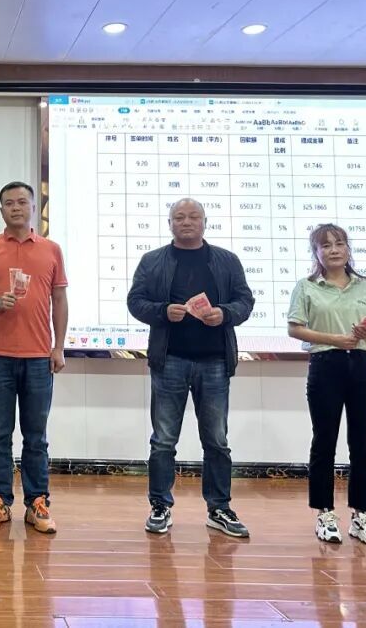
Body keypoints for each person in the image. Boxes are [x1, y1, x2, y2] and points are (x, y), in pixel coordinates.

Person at [127, 197, 255, 539]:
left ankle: (219, 508)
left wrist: (224, 314)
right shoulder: (153, 260)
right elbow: (135, 301)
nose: (186, 222)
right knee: (163, 440)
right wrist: (162, 311)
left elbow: (245, 301)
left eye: (193, 216)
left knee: (217, 440)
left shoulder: (227, 260)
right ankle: (160, 506)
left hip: (215, 361)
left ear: (204, 222)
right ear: (170, 224)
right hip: (169, 360)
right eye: (179, 217)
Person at [0, 181, 68, 534]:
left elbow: (60, 301)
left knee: (36, 437)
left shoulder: (51, 250)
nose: (16, 208)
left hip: (38, 357)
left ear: (34, 207)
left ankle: (37, 503)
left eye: (23, 202)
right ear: (1, 210)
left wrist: (59, 347)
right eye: (9, 203)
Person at [287, 223, 366, 546]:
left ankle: (362, 516)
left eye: (339, 243)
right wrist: (334, 339)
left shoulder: (365, 286)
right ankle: (325, 513)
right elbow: (295, 329)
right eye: (326, 245)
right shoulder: (306, 287)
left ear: (348, 249)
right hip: (325, 365)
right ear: (316, 252)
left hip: (361, 365)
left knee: (362, 443)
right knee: (324, 440)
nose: (334, 250)